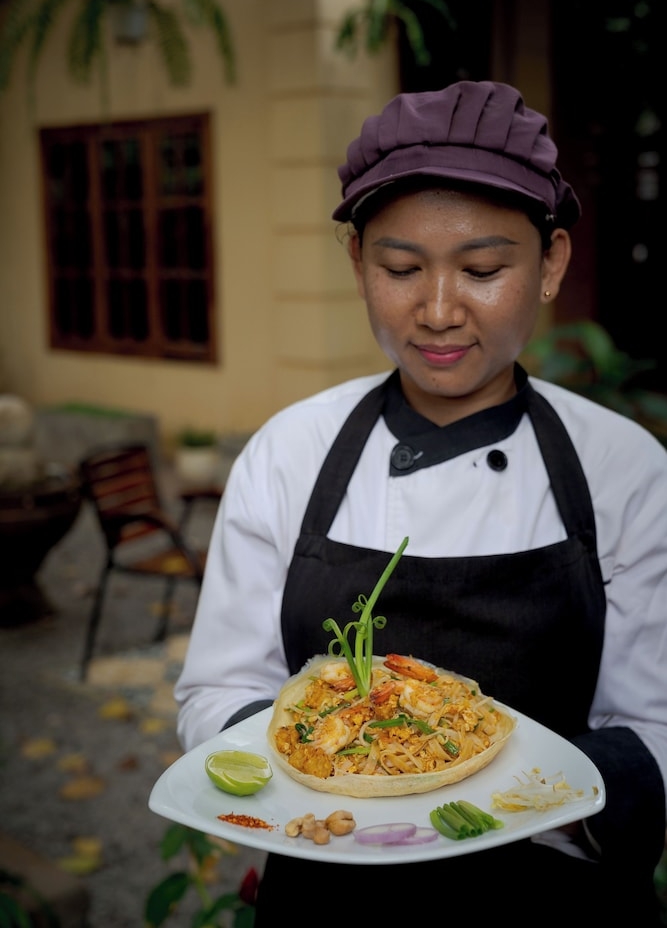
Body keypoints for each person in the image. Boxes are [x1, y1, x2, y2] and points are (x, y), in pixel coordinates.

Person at [174, 80, 667, 923]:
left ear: (550, 264)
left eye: (482, 270)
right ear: (357, 265)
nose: (438, 311)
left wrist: (492, 801)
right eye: (400, 269)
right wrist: (334, 769)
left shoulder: (623, 468)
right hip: (327, 890)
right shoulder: (289, 452)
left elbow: (654, 727)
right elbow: (219, 690)